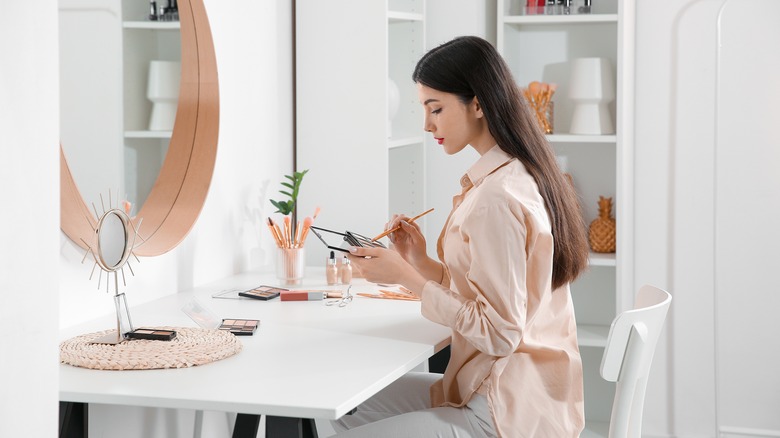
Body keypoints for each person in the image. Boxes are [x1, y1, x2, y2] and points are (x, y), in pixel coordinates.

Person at [338, 35, 589, 438]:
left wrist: (406, 278)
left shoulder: (495, 198)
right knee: (345, 403)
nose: (426, 124)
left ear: (478, 103)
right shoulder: (514, 174)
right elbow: (490, 296)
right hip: (518, 391)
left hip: (504, 408)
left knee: (342, 411)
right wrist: (419, 263)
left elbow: (500, 332)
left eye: (435, 108)